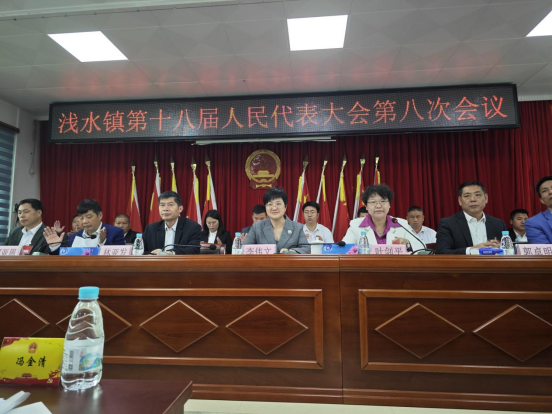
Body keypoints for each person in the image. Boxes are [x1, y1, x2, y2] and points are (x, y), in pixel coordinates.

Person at [342, 184, 424, 251]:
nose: (378, 206)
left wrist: (407, 243)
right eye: (373, 202)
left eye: (383, 201)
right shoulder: (356, 225)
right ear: (366, 206)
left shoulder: (401, 224)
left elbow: (422, 247)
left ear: (389, 205)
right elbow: (345, 250)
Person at [436, 181, 507, 254]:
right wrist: (472, 250)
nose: (473, 199)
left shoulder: (498, 224)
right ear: (460, 201)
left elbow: (508, 250)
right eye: (467, 196)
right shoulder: (448, 224)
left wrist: (502, 248)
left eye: (478, 195)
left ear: (486, 198)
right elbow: (442, 252)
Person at [44, 199, 125, 253]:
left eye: (89, 217)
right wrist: (55, 247)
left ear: (100, 215)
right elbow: (64, 259)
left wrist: (103, 243)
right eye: (81, 218)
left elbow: (119, 258)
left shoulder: (115, 232)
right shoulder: (73, 237)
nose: (85, 221)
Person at [244, 187, 310, 254]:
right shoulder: (257, 227)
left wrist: (292, 251)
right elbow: (245, 248)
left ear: (285, 206)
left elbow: (306, 249)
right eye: (270, 204)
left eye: (278, 204)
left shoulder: (297, 227)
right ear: (266, 207)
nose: (274, 208)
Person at [142, 191, 201, 255]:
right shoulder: (150, 229)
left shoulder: (192, 227)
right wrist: (152, 255)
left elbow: (194, 249)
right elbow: (142, 251)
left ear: (180, 208)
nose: (165, 209)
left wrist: (170, 253)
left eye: (170, 205)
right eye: (162, 205)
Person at [525, 176, 552, 244]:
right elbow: (543, 250)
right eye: (544, 191)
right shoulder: (533, 223)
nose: (550, 192)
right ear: (542, 200)